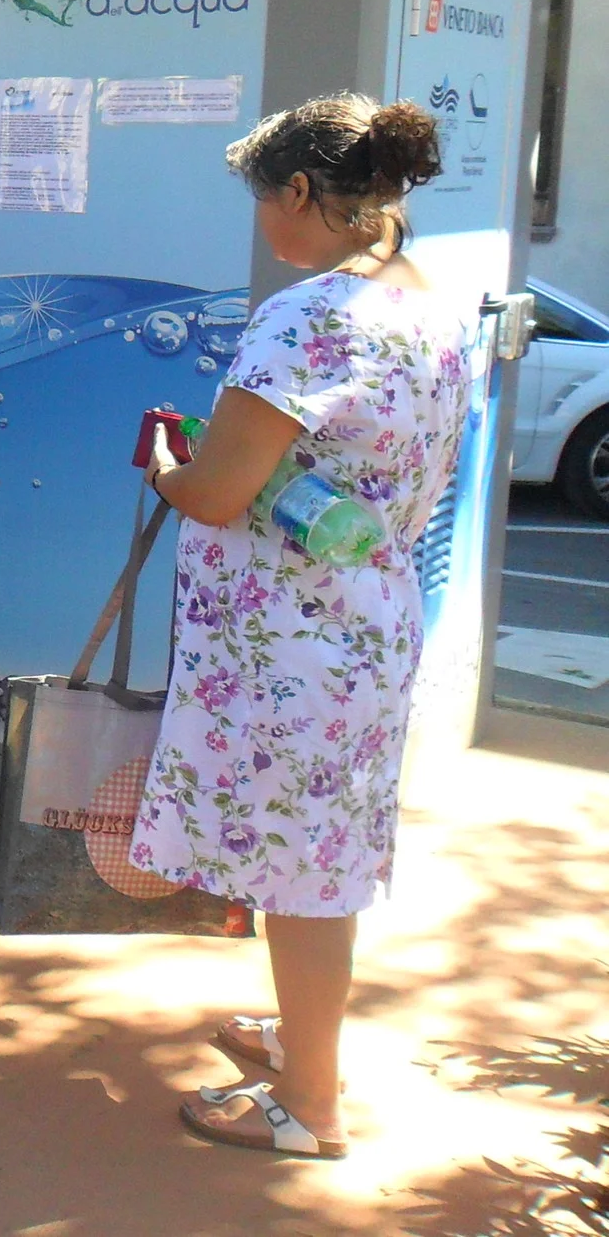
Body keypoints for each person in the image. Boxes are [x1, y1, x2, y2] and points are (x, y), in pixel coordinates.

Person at [135, 94, 472, 1161]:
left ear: (298, 192)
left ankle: (309, 1103)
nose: (262, 229)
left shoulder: (307, 315)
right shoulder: (433, 302)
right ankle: (304, 1030)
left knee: (308, 870)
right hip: (367, 615)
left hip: (291, 642)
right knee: (322, 849)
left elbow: (218, 490)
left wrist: (164, 464)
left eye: (262, 203)